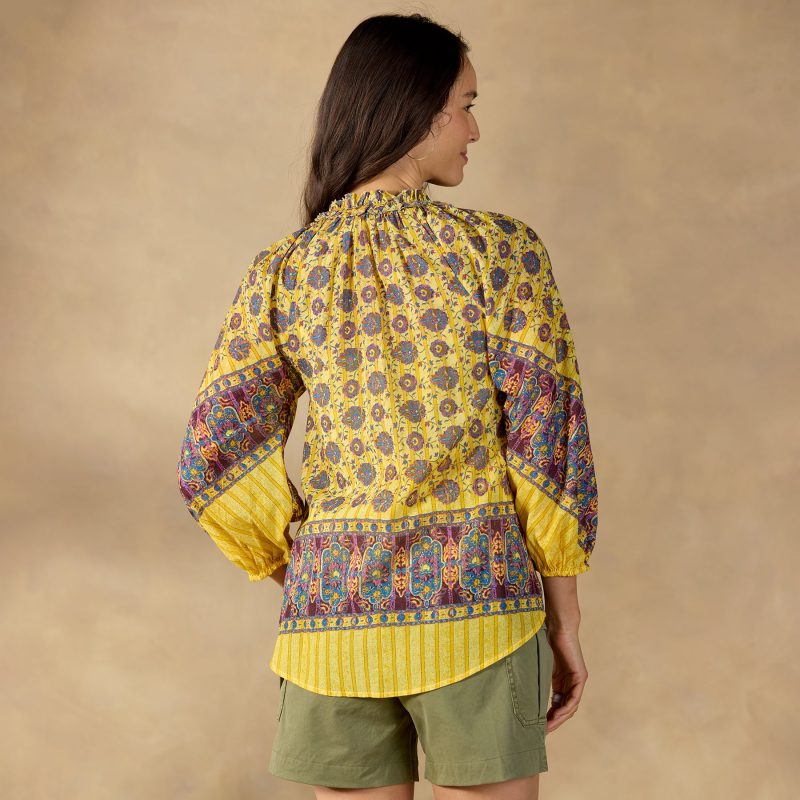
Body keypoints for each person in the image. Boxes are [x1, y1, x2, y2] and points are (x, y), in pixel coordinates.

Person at [176, 12, 598, 800]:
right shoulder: (499, 252)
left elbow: (214, 456)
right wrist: (564, 616)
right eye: (466, 106)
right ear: (418, 110)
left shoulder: (285, 270)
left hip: (330, 626)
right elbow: (549, 449)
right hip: (481, 610)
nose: (474, 130)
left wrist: (307, 569)